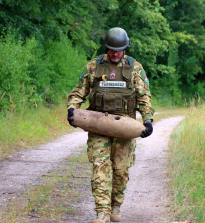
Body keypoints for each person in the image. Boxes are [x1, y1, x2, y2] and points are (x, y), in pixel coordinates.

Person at [66, 27, 155, 223]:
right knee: (100, 166)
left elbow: (144, 97)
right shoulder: (94, 66)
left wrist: (147, 120)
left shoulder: (135, 69)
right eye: (112, 49)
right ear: (106, 47)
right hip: (98, 125)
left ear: (125, 48)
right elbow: (78, 92)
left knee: (120, 170)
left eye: (119, 50)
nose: (115, 53)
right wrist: (72, 109)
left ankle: (116, 205)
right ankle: (102, 213)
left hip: (124, 127)